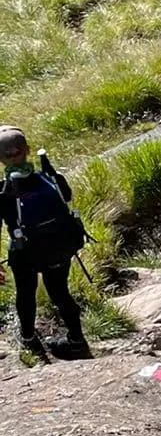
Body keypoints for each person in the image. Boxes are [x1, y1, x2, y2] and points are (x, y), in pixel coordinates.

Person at [0, 127, 88, 361]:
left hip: (24, 253)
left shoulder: (3, 192)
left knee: (25, 294)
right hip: (59, 247)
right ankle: (77, 340)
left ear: (1, 160)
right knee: (60, 293)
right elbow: (67, 197)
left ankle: (29, 339)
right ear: (28, 151)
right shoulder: (50, 178)